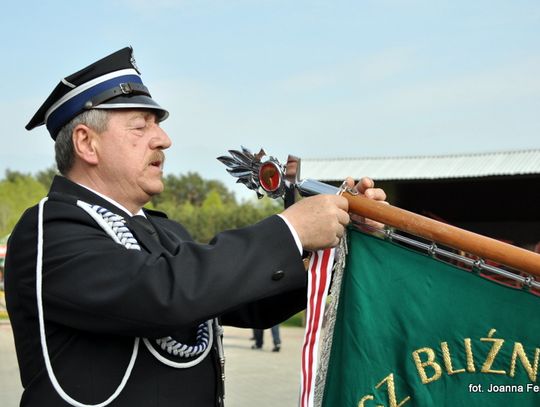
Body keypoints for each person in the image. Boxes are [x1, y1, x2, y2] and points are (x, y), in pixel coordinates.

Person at [4, 47, 387, 407]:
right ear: (87, 144)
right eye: (141, 126)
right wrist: (290, 231)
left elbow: (248, 304)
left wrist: (335, 243)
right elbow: (162, 292)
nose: (164, 140)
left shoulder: (165, 234)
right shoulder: (48, 230)